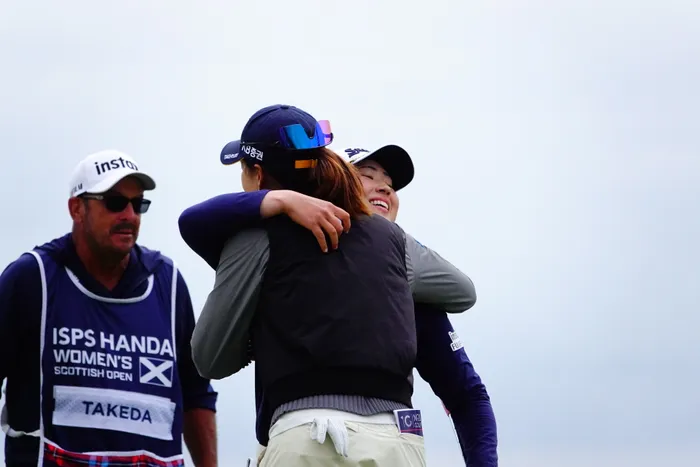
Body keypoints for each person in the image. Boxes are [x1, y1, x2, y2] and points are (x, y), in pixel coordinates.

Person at [187, 104, 473, 467]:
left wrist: (256, 336)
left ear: (257, 176)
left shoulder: (254, 236)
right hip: (396, 441)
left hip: (305, 438)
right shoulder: (393, 239)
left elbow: (209, 359)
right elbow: (463, 292)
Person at [0, 150, 218, 467]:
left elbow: (196, 393)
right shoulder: (33, 278)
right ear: (77, 208)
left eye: (138, 204)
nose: (129, 215)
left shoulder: (167, 283)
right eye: (115, 202)